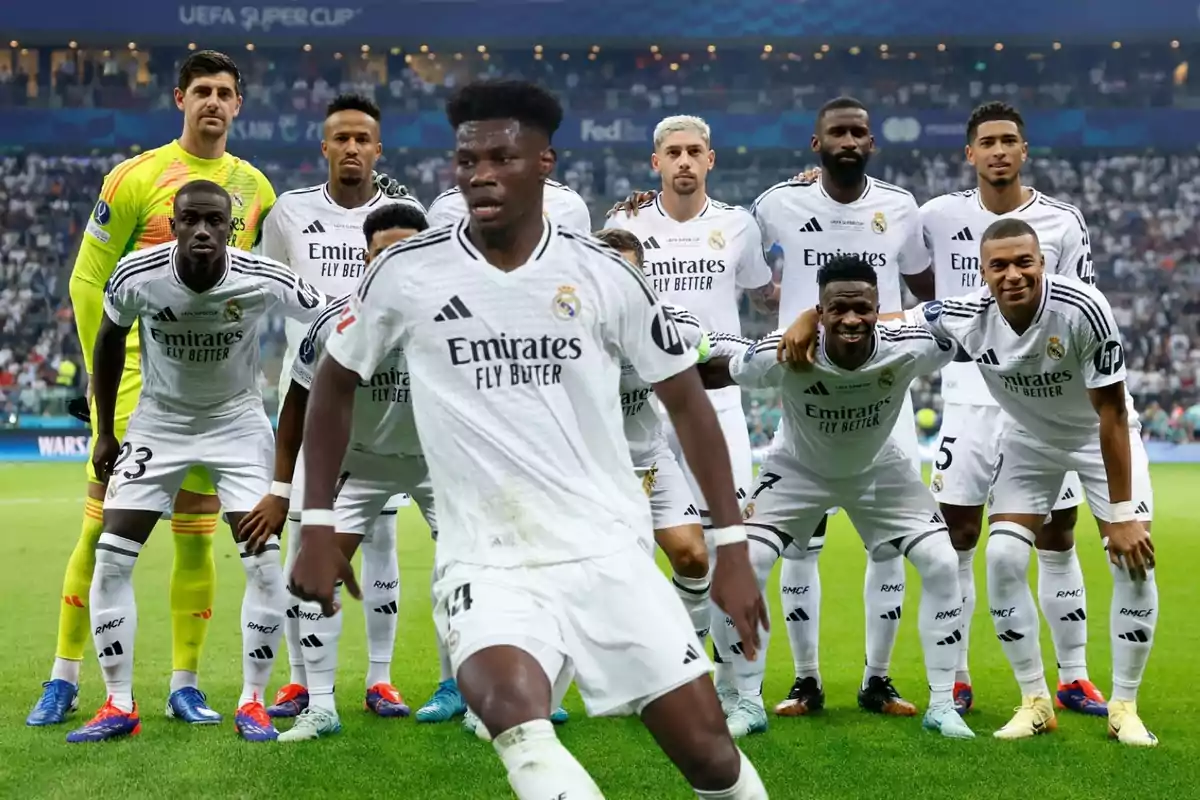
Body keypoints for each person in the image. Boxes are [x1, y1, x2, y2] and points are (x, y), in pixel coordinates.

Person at [290, 79, 770, 799]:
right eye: (466, 160)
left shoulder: (604, 274)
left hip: (608, 551)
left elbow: (688, 404)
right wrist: (319, 520)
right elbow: (332, 381)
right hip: (487, 561)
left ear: (545, 162)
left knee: (710, 758)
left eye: (502, 158)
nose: (480, 174)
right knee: (514, 716)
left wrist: (730, 547)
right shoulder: (406, 273)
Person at [779, 218, 1159, 746]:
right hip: (1028, 442)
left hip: (1100, 436)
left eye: (1023, 262)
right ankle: (1034, 700)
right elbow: (878, 319)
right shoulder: (964, 313)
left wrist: (1121, 518)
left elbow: (1114, 414)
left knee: (1132, 557)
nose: (1012, 275)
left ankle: (1126, 704)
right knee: (1002, 558)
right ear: (983, 272)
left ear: (1042, 263)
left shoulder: (1084, 308)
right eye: (998, 266)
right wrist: (807, 318)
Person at [28, 50, 278, 728]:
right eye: (202, 90)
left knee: (198, 537)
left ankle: (184, 684)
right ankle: (65, 678)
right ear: (179, 99)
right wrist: (94, 372)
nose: (214, 102)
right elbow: (88, 278)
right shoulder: (134, 177)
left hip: (214, 389)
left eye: (226, 92)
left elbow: (258, 283)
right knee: (102, 533)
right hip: (138, 382)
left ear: (238, 104)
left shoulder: (255, 188)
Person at [65, 181, 329, 743]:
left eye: (215, 220)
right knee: (112, 558)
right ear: (175, 222)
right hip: (159, 422)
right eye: (192, 220)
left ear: (230, 227)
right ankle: (118, 703)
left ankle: (252, 701)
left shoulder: (262, 277)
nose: (204, 230)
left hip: (237, 423)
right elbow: (108, 342)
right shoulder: (138, 273)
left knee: (262, 562)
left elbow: (329, 319)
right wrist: (104, 431)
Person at [694, 254, 972, 740]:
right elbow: (719, 365)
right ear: (818, 311)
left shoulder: (908, 347)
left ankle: (943, 705)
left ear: (878, 307)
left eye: (862, 308)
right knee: (738, 565)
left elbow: (960, 317)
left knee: (943, 563)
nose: (850, 319)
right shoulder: (785, 352)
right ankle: (747, 702)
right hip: (797, 468)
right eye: (836, 309)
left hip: (877, 469)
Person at [750, 97, 936, 723]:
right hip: (805, 390)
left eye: (859, 131)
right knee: (799, 547)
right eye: (838, 132)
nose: (849, 140)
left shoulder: (901, 207)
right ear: (816, 143)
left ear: (872, 141)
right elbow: (746, 275)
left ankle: (877, 681)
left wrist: (840, 320)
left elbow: (922, 293)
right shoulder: (778, 203)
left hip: (882, 390)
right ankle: (806, 681)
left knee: (892, 548)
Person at [918, 101, 1100, 716]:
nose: (998, 150)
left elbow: (1081, 306)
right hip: (970, 390)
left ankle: (1072, 675)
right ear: (969, 154)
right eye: (986, 142)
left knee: (1056, 533)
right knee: (959, 533)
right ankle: (959, 675)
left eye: (1009, 141)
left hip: (1043, 398)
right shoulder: (936, 216)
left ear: (1024, 151)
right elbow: (910, 273)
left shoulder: (1063, 220)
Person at [256, 92, 428, 723]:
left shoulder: (404, 214)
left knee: (380, 535)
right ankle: (302, 682)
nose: (352, 148)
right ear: (324, 147)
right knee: (308, 532)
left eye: (363, 139)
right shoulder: (289, 213)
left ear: (377, 149)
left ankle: (379, 679)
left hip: (392, 394)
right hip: (313, 376)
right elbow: (265, 288)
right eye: (341, 139)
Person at [604, 115, 775, 719]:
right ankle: (668, 667)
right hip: (645, 405)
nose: (682, 161)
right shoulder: (623, 223)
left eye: (693, 152)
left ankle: (736, 688)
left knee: (730, 545)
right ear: (655, 163)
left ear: (710, 160)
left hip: (718, 401)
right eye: (671, 152)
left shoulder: (738, 225)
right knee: (646, 550)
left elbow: (764, 294)